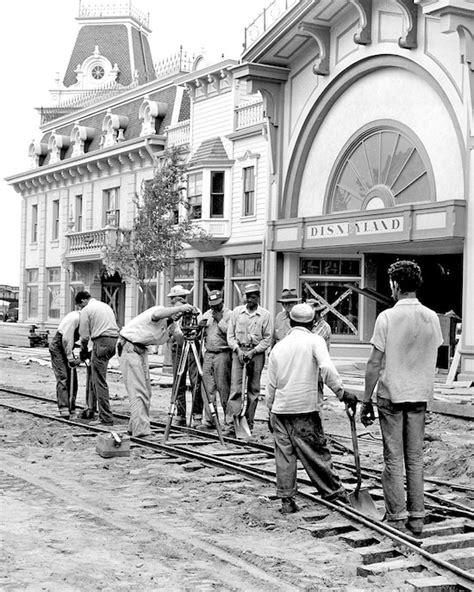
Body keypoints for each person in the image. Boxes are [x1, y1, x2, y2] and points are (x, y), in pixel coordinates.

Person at [361, 260, 443, 535]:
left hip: (391, 397)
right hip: (419, 397)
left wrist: (365, 400)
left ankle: (396, 517)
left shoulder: (386, 318)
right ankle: (417, 517)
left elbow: (374, 364)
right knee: (415, 458)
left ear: (396, 285)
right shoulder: (432, 317)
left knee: (394, 459)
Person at [266, 303, 357, 514]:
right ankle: (334, 494)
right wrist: (342, 393)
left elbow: (271, 384)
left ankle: (287, 501)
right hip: (304, 409)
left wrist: (270, 408)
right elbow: (326, 368)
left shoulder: (279, 346)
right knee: (317, 453)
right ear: (313, 322)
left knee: (285, 456)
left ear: (290, 321)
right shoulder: (315, 340)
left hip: (280, 409)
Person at [117, 301, 194, 437]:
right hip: (129, 347)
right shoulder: (158, 311)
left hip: (141, 350)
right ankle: (141, 431)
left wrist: (192, 332)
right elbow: (158, 314)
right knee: (138, 391)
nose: (177, 314)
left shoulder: (173, 325)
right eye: (176, 311)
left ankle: (134, 426)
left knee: (146, 391)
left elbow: (180, 339)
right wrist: (180, 308)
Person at [226, 283, 273, 436]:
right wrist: (238, 350)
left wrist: (254, 351)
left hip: (256, 354)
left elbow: (267, 339)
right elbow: (230, 336)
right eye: (248, 296)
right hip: (238, 352)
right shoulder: (236, 313)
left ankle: (249, 423)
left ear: (258, 297)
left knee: (253, 390)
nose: (250, 299)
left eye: (253, 296)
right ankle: (232, 424)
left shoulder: (265, 315)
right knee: (236, 389)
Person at [75, 290, 120, 426]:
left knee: (98, 381)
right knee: (96, 375)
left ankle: (105, 417)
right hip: (114, 341)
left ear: (82, 301)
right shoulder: (105, 306)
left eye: (80, 305)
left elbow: (84, 337)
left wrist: (83, 350)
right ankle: (91, 408)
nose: (80, 308)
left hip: (101, 342)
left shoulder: (87, 310)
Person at [167, 285, 203, 427]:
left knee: (196, 381)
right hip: (178, 347)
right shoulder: (172, 313)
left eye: (176, 299)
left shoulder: (195, 311)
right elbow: (169, 330)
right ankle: (180, 415)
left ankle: (197, 415)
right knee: (178, 381)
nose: (174, 301)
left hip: (193, 344)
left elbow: (199, 328)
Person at [198, 290, 232, 429]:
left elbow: (231, 333)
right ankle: (210, 420)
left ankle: (229, 421)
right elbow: (201, 334)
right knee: (207, 389)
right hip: (208, 353)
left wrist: (220, 321)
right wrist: (200, 327)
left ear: (222, 301)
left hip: (223, 353)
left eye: (217, 304)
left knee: (224, 388)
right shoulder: (207, 314)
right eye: (212, 305)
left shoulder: (229, 314)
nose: (214, 308)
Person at [49, 309, 81, 419]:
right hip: (58, 347)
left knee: (73, 380)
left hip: (67, 347)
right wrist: (70, 358)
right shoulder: (75, 318)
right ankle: (64, 408)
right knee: (63, 377)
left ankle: (72, 407)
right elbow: (67, 339)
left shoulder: (86, 320)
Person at [308, 298, 332, 403]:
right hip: (307, 364)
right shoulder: (309, 326)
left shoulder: (324, 327)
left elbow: (310, 344)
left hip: (317, 365)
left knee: (316, 396)